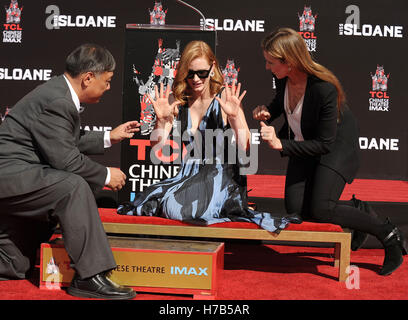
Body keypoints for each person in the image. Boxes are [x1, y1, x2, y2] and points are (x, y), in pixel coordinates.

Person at [253, 27, 407, 276]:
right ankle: (356, 214)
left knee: (322, 208)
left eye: (271, 62)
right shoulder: (283, 78)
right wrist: (268, 112)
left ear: (289, 62)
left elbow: (325, 144)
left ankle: (389, 236)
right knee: (297, 211)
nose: (267, 67)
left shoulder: (324, 88)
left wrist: (283, 144)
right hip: (306, 144)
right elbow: (281, 101)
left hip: (335, 147)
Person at [0, 44, 139, 299]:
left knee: (14, 264)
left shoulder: (59, 93)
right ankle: (90, 276)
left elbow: (62, 140)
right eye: (107, 81)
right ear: (88, 78)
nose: (108, 87)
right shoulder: (58, 101)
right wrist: (107, 176)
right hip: (11, 178)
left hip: (21, 176)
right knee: (73, 186)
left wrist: (109, 136)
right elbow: (67, 160)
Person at [118, 40, 296, 232]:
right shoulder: (177, 99)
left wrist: (235, 117)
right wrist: (161, 121)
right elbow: (157, 148)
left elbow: (245, 147)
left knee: (173, 208)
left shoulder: (225, 97)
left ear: (212, 68)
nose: (196, 79)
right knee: (148, 201)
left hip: (222, 175)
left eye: (201, 73)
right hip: (188, 174)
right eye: (190, 73)